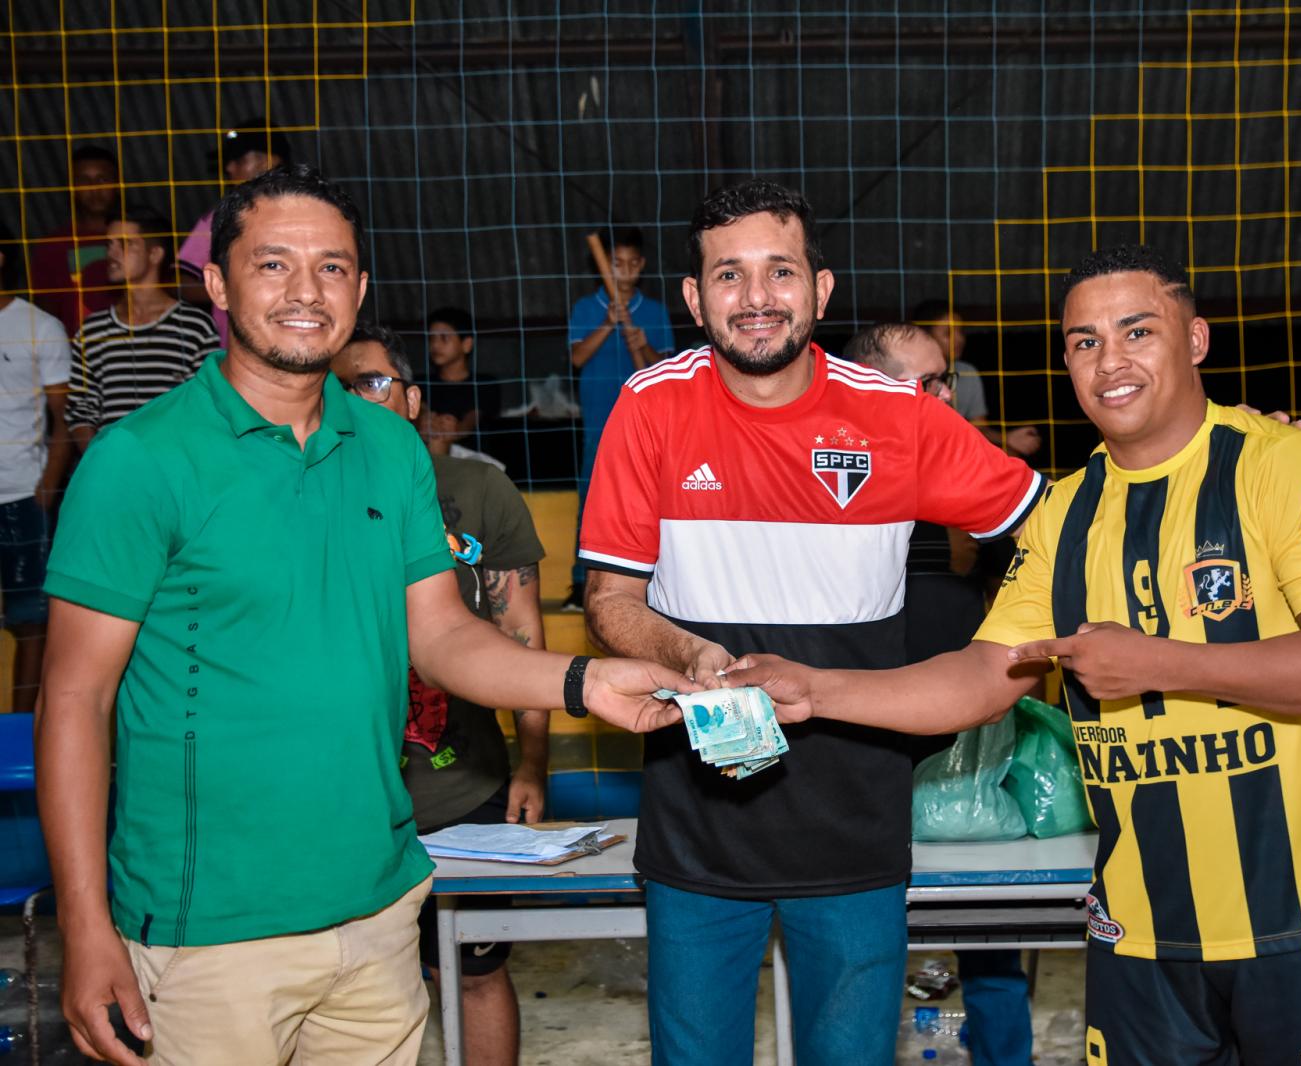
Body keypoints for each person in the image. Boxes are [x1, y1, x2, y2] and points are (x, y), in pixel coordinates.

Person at [35, 163, 687, 1066]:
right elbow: (72, 700)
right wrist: (85, 926)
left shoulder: (386, 444)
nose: (307, 291)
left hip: (380, 912)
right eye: (273, 265)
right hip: (208, 933)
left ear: (362, 286)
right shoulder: (139, 461)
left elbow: (447, 635)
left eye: (333, 267)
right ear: (218, 284)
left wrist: (585, 680)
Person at [731, 244, 1301, 1065]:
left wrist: (1164, 664)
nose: (1109, 361)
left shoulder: (1281, 464)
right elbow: (983, 676)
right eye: (1084, 341)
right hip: (1137, 938)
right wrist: (815, 689)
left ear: (1195, 340)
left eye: (1137, 332)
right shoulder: (1064, 512)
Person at [577, 180, 1046, 1066]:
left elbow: (1050, 525)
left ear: (820, 290)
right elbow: (607, 601)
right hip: (696, 836)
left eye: (779, 271)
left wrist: (1215, 460)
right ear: (694, 297)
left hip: (854, 835)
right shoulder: (650, 406)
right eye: (729, 275)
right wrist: (690, 651)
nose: (756, 299)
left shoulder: (898, 414)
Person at [333, 321, 547, 1066]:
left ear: (413, 398)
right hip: (343, 798)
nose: (353, 398)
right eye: (338, 385)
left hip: (465, 787)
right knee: (355, 986)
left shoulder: (477, 488)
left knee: (474, 972)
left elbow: (523, 637)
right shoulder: (301, 492)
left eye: (371, 382)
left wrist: (531, 766)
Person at [840, 320, 1032, 1066]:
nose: (947, 396)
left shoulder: (974, 463)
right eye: (929, 384)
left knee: (993, 948)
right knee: (862, 955)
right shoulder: (829, 469)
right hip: (865, 741)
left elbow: (1001, 575)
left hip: (961, 740)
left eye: (946, 382)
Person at [565, 225, 675, 610]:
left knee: (649, 500)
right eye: (616, 264)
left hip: (646, 423)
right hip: (599, 419)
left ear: (641, 266)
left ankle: (648, 584)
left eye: (631, 264)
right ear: (603, 268)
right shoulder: (586, 308)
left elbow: (663, 373)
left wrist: (642, 345)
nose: (624, 271)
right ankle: (581, 585)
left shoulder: (655, 312)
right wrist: (609, 322)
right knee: (590, 497)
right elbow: (577, 357)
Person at [65, 205, 218, 449]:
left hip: (175, 469)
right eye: (110, 245)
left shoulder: (194, 327)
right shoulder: (92, 330)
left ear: (155, 254)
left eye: (124, 244)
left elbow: (207, 406)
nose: (112, 254)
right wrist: (103, 463)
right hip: (114, 470)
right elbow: (80, 410)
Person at [0, 222, 71, 713]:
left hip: (20, 498)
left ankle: (20, 738)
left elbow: (62, 420)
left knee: (30, 623)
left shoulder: (39, 327)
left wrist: (43, 494)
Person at [177, 117, 291, 349]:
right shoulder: (220, 217)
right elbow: (182, 282)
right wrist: (235, 289)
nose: (229, 168)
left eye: (238, 160)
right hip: (237, 354)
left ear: (268, 161)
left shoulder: (310, 213)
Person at [912, 299, 1042, 460]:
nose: (959, 339)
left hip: (960, 450)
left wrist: (1007, 438)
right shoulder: (909, 375)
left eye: (961, 332)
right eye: (948, 334)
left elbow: (979, 427)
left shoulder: (967, 372)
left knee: (1009, 456)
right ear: (926, 338)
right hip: (921, 452)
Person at [28, 144, 120, 337]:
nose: (94, 189)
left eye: (102, 179)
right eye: (84, 180)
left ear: (118, 184)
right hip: (76, 356)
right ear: (71, 187)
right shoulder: (52, 246)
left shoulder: (140, 239)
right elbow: (45, 313)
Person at [422, 306, 484, 457]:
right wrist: (424, 422)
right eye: (432, 339)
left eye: (444, 338)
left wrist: (456, 429)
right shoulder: (420, 382)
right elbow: (419, 410)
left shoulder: (484, 383)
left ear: (467, 344)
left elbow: (474, 418)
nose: (435, 345)